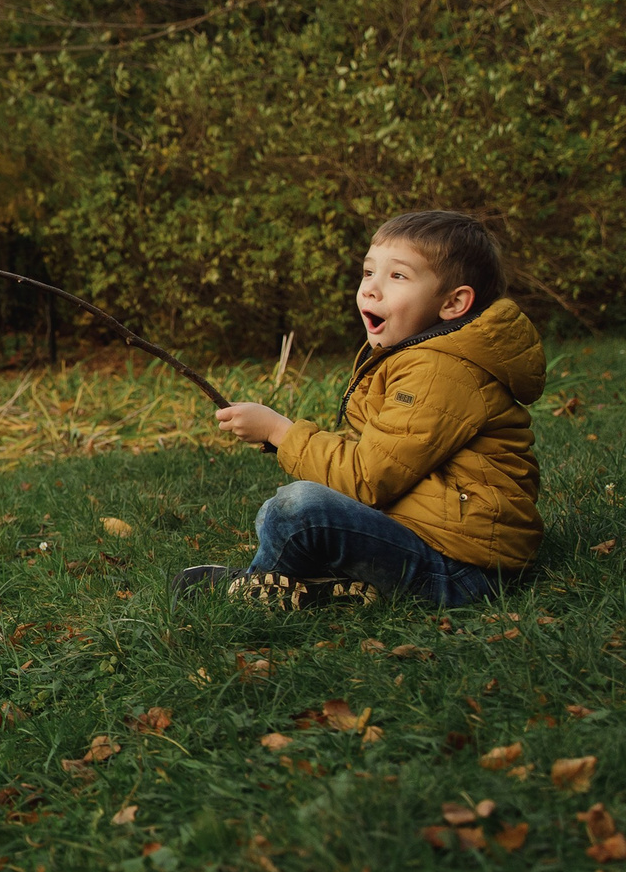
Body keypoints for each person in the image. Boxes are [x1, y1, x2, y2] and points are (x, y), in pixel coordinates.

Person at [177, 210, 546, 608]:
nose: (371, 289)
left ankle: (254, 589)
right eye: (369, 272)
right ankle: (327, 589)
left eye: (397, 276)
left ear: (453, 302)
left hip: (462, 570)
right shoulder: (416, 355)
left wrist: (279, 431)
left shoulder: (442, 369)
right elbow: (384, 455)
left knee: (298, 510)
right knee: (283, 511)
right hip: (436, 538)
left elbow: (367, 478)